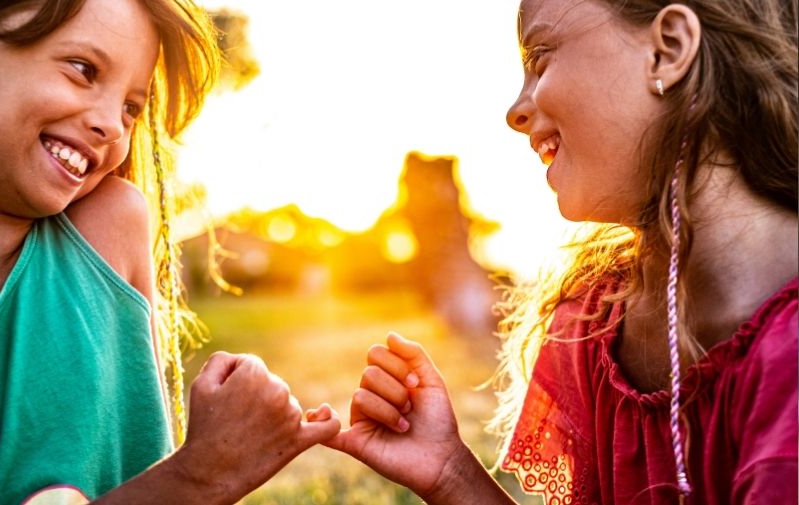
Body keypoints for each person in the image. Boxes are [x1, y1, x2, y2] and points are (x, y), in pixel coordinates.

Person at [323, 0, 798, 503]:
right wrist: (449, 473)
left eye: (541, 58)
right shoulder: (594, 322)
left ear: (668, 51)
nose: (515, 111)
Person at [0, 0, 339, 503]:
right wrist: (200, 476)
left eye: (132, 107)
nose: (112, 124)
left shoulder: (104, 236)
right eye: (83, 69)